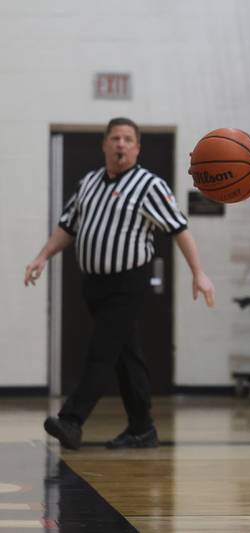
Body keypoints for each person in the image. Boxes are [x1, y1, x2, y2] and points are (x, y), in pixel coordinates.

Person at [24, 117, 216, 451]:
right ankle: (142, 428)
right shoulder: (88, 182)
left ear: (137, 148)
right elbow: (67, 227)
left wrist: (198, 272)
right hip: (94, 283)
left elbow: (179, 229)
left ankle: (72, 420)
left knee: (102, 351)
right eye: (115, 138)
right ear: (105, 145)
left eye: (128, 139)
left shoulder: (149, 185)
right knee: (126, 355)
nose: (121, 144)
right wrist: (42, 256)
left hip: (128, 282)